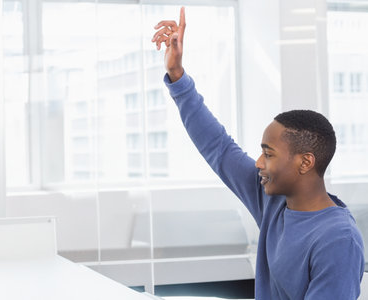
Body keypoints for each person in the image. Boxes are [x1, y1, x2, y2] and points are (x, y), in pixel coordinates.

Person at [152, 7, 365, 300]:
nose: (258, 163)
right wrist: (177, 76)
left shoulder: (338, 240)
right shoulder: (273, 202)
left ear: (305, 162)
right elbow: (219, 147)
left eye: (269, 154)